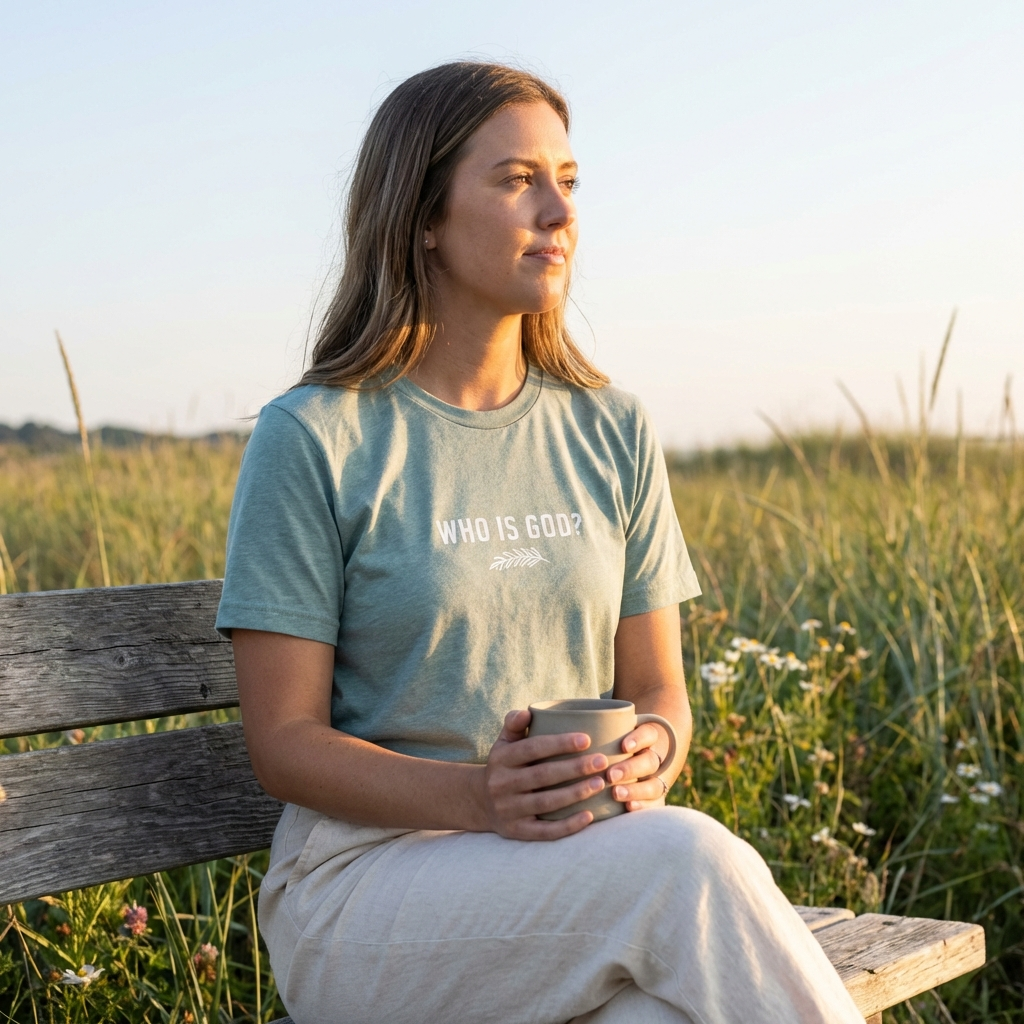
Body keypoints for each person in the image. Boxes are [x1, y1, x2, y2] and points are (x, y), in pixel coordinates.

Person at [216, 61, 865, 1024]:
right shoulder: (317, 437)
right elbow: (284, 746)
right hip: (363, 894)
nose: (560, 211)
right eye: (518, 180)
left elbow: (658, 693)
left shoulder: (613, 429)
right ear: (422, 215)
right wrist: (483, 796)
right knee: (687, 861)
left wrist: (651, 751)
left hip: (571, 879)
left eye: (569, 180)